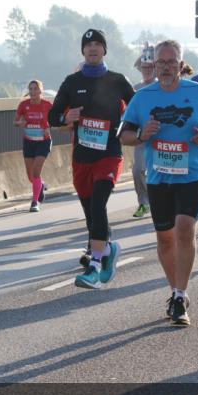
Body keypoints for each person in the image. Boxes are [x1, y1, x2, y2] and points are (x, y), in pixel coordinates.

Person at [121, 39, 198, 326]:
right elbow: (124, 135)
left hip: (193, 172)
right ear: (154, 65)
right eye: (161, 63)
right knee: (165, 238)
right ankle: (175, 290)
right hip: (159, 175)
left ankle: (180, 295)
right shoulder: (142, 97)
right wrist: (142, 135)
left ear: (180, 65)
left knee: (184, 227)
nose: (166, 67)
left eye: (171, 62)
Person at [50, 29, 135, 289]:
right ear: (83, 51)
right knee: (90, 213)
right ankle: (108, 249)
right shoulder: (71, 82)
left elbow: (137, 108)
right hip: (82, 157)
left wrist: (130, 129)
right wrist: (66, 117)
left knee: (99, 204)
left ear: (104, 50)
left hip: (109, 154)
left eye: (98, 44)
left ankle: (95, 265)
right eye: (88, 45)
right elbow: (52, 117)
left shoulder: (118, 80)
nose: (93, 48)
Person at [14, 79, 52, 212]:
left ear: (41, 91)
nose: (33, 91)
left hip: (43, 141)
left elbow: (55, 119)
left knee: (36, 171)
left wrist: (49, 128)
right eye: (30, 89)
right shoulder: (23, 105)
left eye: (35, 89)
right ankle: (40, 185)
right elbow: (15, 122)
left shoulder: (47, 105)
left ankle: (35, 202)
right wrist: (20, 123)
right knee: (30, 175)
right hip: (29, 142)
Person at [130, 55, 157, 218]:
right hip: (141, 137)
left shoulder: (162, 86)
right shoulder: (135, 89)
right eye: (144, 68)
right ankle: (144, 203)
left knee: (158, 171)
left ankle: (159, 201)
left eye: (150, 67)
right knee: (137, 170)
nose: (146, 71)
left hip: (160, 137)